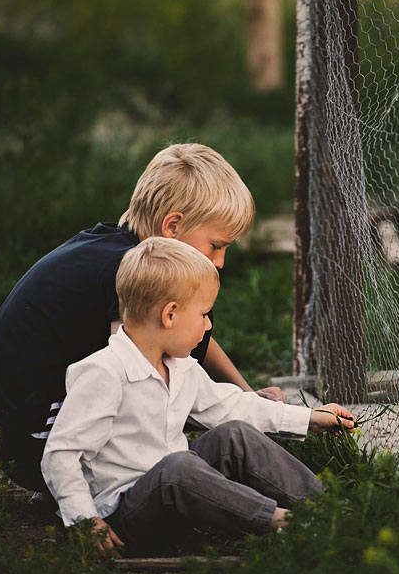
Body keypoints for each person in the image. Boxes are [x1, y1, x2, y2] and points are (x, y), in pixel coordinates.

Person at [0, 143, 286, 494]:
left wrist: (246, 397)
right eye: (216, 246)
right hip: (33, 440)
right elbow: (138, 384)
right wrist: (235, 413)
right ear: (173, 226)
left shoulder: (120, 246)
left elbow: (192, 338)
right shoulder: (126, 269)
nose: (220, 262)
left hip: (16, 430)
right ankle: (115, 499)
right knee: (170, 435)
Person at [41, 237, 355, 552]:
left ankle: (335, 509)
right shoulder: (104, 373)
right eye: (204, 314)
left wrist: (309, 418)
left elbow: (234, 406)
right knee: (177, 468)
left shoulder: (181, 366)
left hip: (180, 493)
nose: (207, 326)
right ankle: (287, 522)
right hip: (127, 517)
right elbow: (61, 453)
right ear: (170, 315)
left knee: (234, 434)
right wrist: (84, 519)